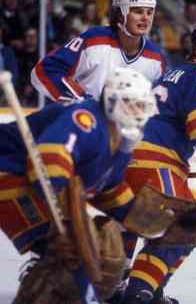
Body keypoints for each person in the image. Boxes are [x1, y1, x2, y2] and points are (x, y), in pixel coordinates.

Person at [98, 19, 196, 304]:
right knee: (190, 226)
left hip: (125, 160)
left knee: (135, 223)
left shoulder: (173, 73)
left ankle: (121, 288)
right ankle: (138, 295)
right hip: (155, 163)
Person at [0, 67, 157, 304]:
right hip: (8, 171)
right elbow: (50, 159)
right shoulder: (86, 118)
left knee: (73, 253)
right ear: (112, 101)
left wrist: (148, 221)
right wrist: (64, 218)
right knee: (73, 253)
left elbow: (107, 188)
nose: (137, 112)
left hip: (24, 178)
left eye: (142, 105)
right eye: (130, 104)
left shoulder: (123, 139)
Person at [31, 0, 166, 103]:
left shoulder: (156, 59)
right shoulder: (95, 40)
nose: (145, 18)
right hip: (86, 125)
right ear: (120, 14)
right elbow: (44, 71)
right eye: (138, 11)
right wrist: (82, 102)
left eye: (149, 12)